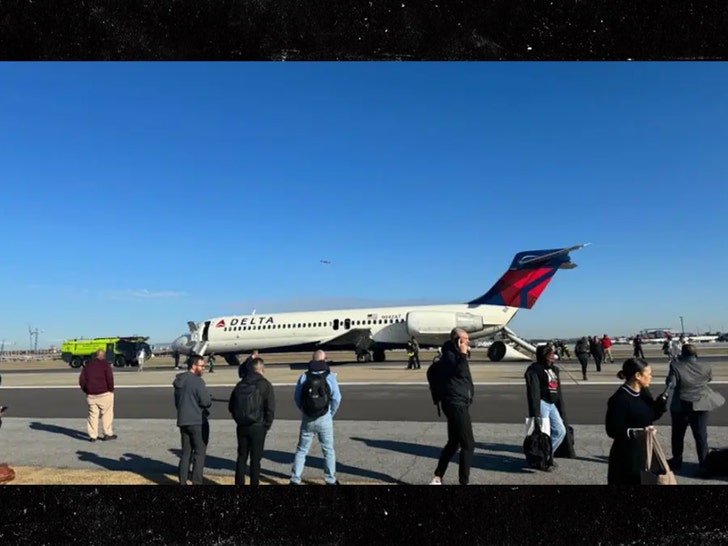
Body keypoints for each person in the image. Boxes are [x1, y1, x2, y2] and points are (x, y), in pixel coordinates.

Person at [605, 358, 669, 485]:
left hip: (646, 450)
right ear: (638, 375)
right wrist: (637, 433)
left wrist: (660, 405)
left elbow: (649, 417)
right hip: (627, 456)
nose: (651, 376)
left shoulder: (644, 392)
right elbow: (612, 430)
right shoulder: (620, 399)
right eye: (649, 374)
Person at [665, 343, 724, 476]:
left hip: (681, 404)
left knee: (678, 435)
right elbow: (709, 379)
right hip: (701, 403)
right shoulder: (706, 366)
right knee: (701, 435)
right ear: (696, 354)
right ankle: (703, 464)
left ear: (682, 354)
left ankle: (677, 460)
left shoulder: (675, 365)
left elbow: (672, 384)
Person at [429, 327, 475, 485]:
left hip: (457, 402)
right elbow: (461, 372)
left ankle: (437, 477)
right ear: (458, 340)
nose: (469, 342)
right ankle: (464, 482)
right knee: (468, 444)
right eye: (466, 339)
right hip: (456, 404)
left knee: (454, 442)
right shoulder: (450, 357)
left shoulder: (452, 355)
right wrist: (462, 354)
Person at [290, 350, 342, 485]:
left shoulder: (304, 377)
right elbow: (336, 398)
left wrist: (304, 410)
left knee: (302, 450)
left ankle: (295, 479)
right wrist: (330, 414)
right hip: (325, 418)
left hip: (308, 418)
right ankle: (330, 480)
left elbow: (297, 398)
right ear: (324, 360)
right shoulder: (330, 377)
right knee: (328, 450)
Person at [229, 357, 275, 486]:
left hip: (242, 426)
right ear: (261, 369)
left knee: (242, 457)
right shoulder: (265, 384)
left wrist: (238, 419)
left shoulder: (241, 384)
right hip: (258, 426)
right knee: (256, 460)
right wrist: (267, 425)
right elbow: (270, 408)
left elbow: (231, 406)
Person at [524, 344, 568, 471]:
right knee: (542, 435)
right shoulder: (534, 369)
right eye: (550, 355)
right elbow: (533, 391)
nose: (553, 357)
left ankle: (543, 456)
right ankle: (542, 460)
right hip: (542, 403)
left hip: (552, 404)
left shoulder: (554, 369)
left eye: (553, 355)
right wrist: (535, 413)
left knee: (561, 431)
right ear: (543, 356)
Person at [173, 354, 212, 485]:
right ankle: (196, 481)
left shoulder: (179, 381)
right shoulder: (197, 381)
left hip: (183, 420)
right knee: (199, 453)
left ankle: (182, 481)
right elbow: (206, 402)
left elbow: (178, 402)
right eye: (202, 366)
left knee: (185, 453)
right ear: (194, 366)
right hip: (197, 422)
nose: (204, 369)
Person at [79, 349, 117, 442]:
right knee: (107, 413)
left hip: (91, 395)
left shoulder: (88, 366)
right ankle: (107, 433)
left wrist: (86, 390)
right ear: (103, 356)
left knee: (93, 415)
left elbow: (82, 380)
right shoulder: (105, 365)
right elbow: (109, 378)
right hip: (104, 393)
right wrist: (111, 389)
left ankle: (93, 435)